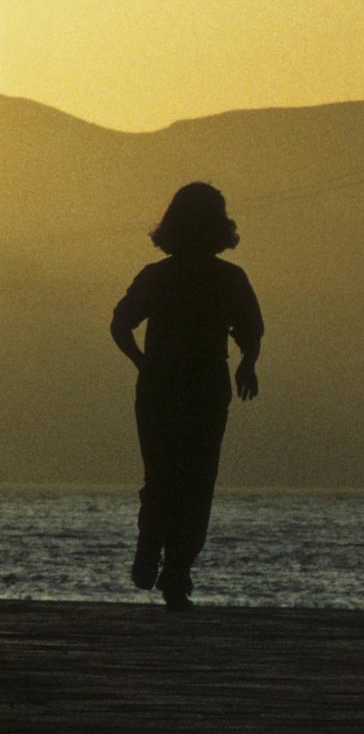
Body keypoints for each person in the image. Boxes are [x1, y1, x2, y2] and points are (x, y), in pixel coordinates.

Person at [111, 182, 263, 612]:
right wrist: (247, 363)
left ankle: (152, 546)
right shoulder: (230, 279)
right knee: (197, 483)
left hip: (160, 388)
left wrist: (142, 363)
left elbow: (120, 325)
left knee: (160, 476)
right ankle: (175, 573)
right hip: (206, 390)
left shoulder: (157, 277)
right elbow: (252, 329)